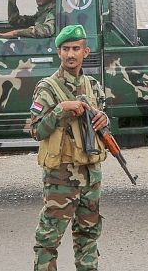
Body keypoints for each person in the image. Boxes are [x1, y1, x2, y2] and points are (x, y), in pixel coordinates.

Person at [27, 24, 109, 271]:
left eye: (76, 48)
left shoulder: (93, 86)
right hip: (61, 174)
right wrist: (61, 110)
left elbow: (101, 125)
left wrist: (105, 119)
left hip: (90, 173)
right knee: (49, 237)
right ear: (58, 53)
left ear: (86, 51)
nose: (70, 54)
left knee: (89, 235)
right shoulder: (48, 88)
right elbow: (36, 130)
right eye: (65, 49)